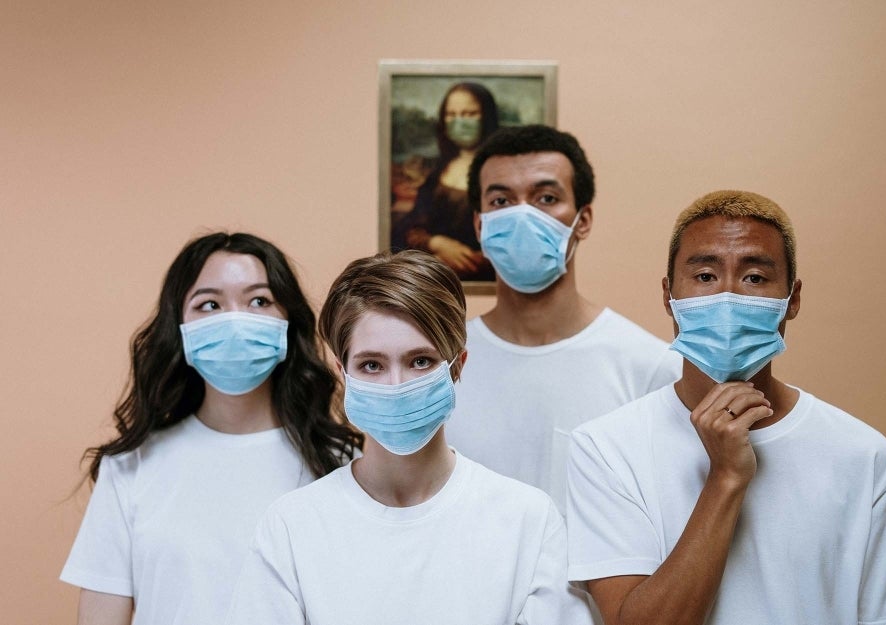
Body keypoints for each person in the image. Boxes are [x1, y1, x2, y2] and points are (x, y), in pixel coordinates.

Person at [566, 190, 886, 625]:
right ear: (669, 295)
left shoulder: (863, 456)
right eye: (706, 276)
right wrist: (726, 478)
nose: (727, 297)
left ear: (793, 299)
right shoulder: (607, 448)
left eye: (754, 278)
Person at [225, 250, 592, 625]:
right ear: (342, 371)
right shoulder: (292, 528)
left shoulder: (527, 522)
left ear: (457, 366)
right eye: (372, 365)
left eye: (421, 361)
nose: (396, 385)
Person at [60, 232, 362, 625]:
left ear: (289, 321)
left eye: (259, 300)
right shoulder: (131, 466)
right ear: (180, 326)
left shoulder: (342, 465)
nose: (234, 319)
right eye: (209, 304)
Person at [444, 125, 681, 509]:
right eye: (502, 201)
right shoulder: (439, 368)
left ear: (582, 220)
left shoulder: (651, 368)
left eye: (546, 197)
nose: (523, 215)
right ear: (479, 224)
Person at [391, 82, 499, 281]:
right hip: (433, 281)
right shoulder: (438, 172)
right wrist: (436, 243)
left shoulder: (503, 173)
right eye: (452, 115)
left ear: (486, 117)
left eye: (469, 114)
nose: (460, 121)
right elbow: (409, 227)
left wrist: (460, 261)